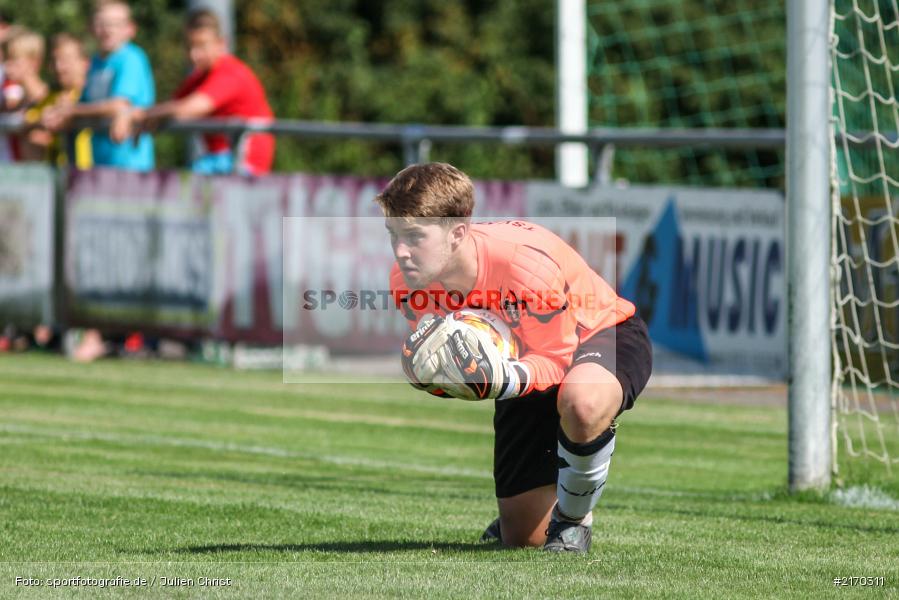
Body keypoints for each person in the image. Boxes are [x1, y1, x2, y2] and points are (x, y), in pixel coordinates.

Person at [377, 163, 653, 553]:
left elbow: (556, 363)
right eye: (394, 235)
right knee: (523, 540)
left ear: (457, 233)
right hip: (525, 360)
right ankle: (531, 515)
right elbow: (456, 367)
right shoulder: (407, 281)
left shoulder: (523, 264)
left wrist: (500, 379)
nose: (401, 251)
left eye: (414, 237)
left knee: (582, 402)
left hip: (601, 333)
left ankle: (574, 522)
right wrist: (431, 376)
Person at [131, 8, 274, 175]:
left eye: (201, 45)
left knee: (185, 186)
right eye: (189, 46)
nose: (194, 54)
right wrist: (148, 117)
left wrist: (141, 115)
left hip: (243, 164)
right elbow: (172, 106)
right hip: (219, 160)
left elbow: (188, 109)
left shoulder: (230, 73)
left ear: (221, 44)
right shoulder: (199, 77)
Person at [42, 0, 154, 171]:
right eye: (101, 23)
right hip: (99, 164)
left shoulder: (131, 58)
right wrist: (60, 112)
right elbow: (84, 104)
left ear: (130, 28)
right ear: (91, 27)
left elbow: (119, 104)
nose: (108, 30)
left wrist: (71, 110)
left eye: (115, 24)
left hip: (130, 164)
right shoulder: (95, 62)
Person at [23, 34, 92, 168]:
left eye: (66, 60)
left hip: (91, 177)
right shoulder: (51, 97)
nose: (59, 67)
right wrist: (40, 123)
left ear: (85, 62)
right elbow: (26, 122)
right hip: (56, 180)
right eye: (54, 60)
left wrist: (72, 113)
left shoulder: (92, 96)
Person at [1, 28, 49, 160]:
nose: (6, 65)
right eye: (6, 59)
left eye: (13, 59)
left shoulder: (48, 99)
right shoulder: (16, 101)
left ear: (34, 62)